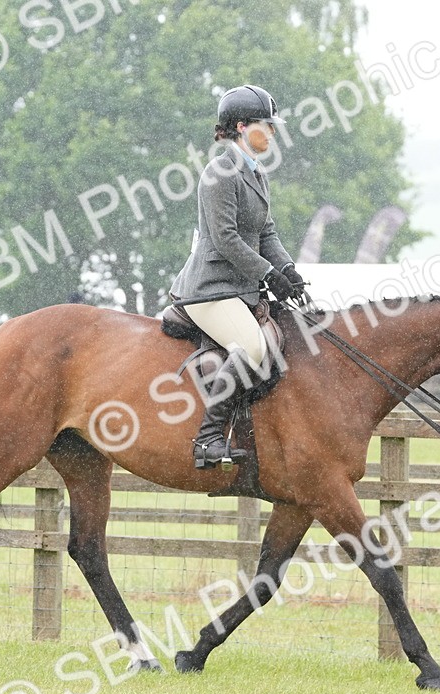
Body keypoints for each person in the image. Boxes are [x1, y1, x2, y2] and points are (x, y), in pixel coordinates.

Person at [169, 84, 304, 469]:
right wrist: (267, 273)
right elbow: (226, 239)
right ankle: (208, 437)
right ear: (242, 126)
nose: (274, 132)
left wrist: (288, 270)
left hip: (240, 288)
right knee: (253, 348)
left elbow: (266, 233)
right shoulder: (220, 173)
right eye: (268, 125)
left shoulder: (256, 174)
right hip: (210, 289)